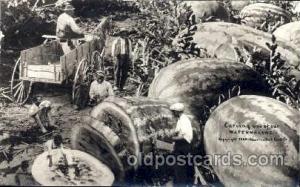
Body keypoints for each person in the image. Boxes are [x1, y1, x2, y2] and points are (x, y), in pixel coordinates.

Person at [170, 103, 194, 185]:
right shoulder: (181, 119)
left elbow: (184, 136)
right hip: (182, 145)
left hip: (183, 146)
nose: (173, 113)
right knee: (183, 167)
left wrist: (171, 139)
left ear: (177, 112)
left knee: (180, 167)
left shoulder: (184, 120)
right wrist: (172, 133)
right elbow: (177, 131)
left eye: (173, 112)